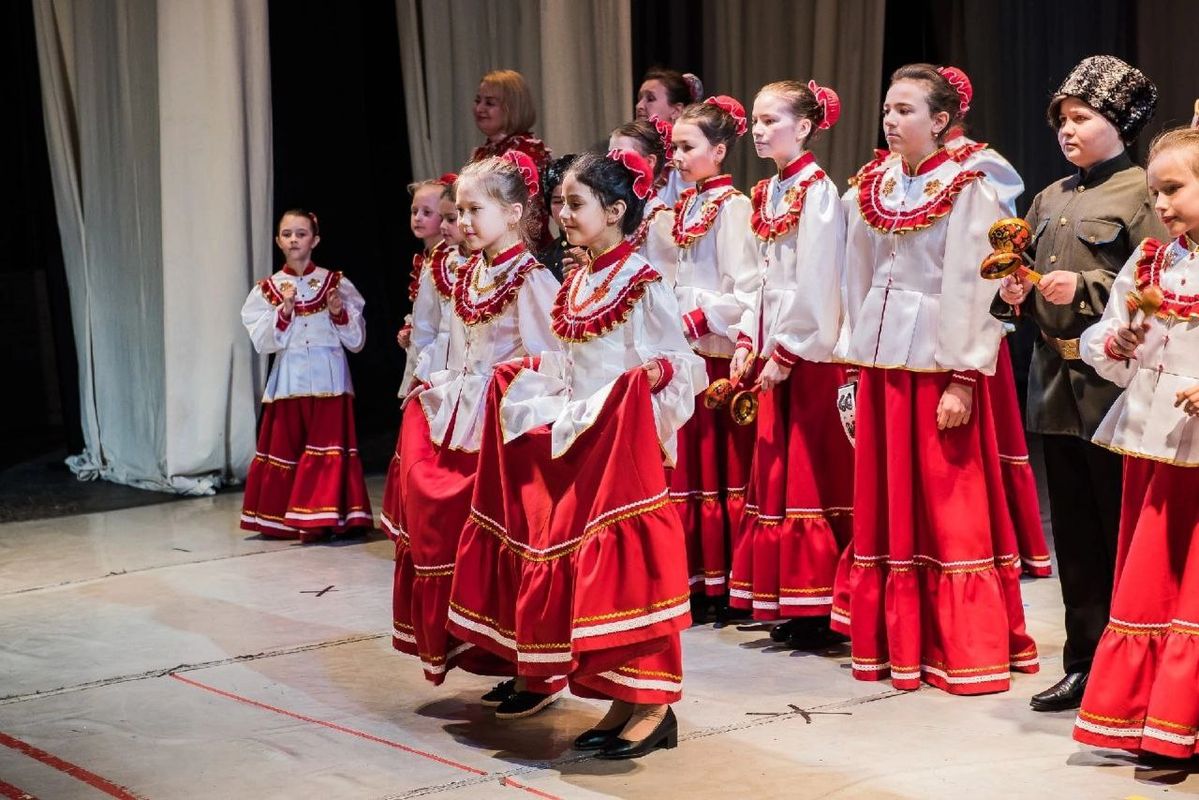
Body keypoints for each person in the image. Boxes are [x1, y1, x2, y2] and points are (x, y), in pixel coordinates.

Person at [447, 149, 704, 759]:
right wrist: (529, 372)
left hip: (625, 446)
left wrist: (645, 383)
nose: (562, 214)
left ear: (614, 210)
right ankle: (621, 699)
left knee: (631, 570)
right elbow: (573, 359)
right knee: (593, 573)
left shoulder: (641, 282)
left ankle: (654, 706)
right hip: (584, 438)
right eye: (560, 202)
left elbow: (682, 364)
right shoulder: (583, 279)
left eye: (575, 203)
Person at [833, 64, 1038, 695]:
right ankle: (897, 641)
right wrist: (853, 360)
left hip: (938, 359)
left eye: (905, 110)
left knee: (950, 500)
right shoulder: (873, 183)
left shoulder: (969, 185)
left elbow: (973, 285)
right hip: (883, 361)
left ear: (941, 120)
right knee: (888, 499)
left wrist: (963, 376)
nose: (891, 121)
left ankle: (964, 646)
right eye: (887, 110)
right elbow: (855, 274)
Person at [992, 55, 1166, 712]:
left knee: (1121, 534)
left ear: (1120, 123)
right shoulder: (1049, 197)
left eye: (1082, 117)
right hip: (1055, 386)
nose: (1067, 129)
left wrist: (1090, 287)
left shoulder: (1144, 192)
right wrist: (1015, 290)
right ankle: (1084, 664)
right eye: (1061, 119)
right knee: (1075, 536)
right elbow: (1022, 275)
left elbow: (1160, 280)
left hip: (1116, 388)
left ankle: (1134, 669)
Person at [390, 153, 562, 703]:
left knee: (503, 544)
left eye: (474, 210)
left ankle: (532, 671)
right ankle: (489, 649)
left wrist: (510, 393)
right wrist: (432, 382)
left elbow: (553, 357)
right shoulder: (470, 272)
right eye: (459, 211)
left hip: (502, 424)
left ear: (512, 213)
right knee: (450, 531)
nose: (462, 222)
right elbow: (451, 344)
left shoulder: (531, 279)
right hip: (461, 417)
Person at [1071, 126, 1199, 758]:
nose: (1162, 204)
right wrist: (1117, 344)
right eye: (1156, 193)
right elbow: (1106, 336)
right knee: (1154, 579)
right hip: (1155, 448)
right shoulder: (1154, 260)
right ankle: (1153, 714)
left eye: (1174, 189)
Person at [728, 80, 854, 648]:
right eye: (756, 120)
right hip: (775, 347)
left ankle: (820, 606)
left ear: (804, 127)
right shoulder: (769, 191)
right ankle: (790, 599)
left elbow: (818, 278)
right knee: (777, 472)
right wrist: (746, 338)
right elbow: (758, 278)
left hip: (807, 354)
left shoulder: (817, 191)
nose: (759, 130)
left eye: (771, 120)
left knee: (810, 475)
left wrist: (787, 349)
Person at [668, 96, 760, 618]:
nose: (677, 157)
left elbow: (746, 287)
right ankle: (700, 578)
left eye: (688, 147)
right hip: (690, 355)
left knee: (724, 467)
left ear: (719, 151)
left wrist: (698, 319)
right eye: (674, 147)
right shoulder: (688, 205)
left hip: (717, 354)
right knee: (694, 468)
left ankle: (729, 583)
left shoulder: (734, 208)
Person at [239, 210, 372, 542]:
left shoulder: (335, 283)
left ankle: (325, 518)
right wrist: (283, 312)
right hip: (289, 381)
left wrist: (338, 312)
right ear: (278, 241)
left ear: (315, 240)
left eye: (301, 233)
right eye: (287, 234)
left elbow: (356, 341)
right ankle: (284, 518)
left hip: (329, 380)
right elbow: (263, 343)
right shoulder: (267, 289)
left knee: (327, 448)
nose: (294, 240)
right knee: (288, 446)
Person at [381, 177, 467, 542]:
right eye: (441, 218)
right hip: (438, 366)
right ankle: (425, 530)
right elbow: (427, 326)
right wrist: (416, 374)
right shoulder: (438, 264)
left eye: (450, 217)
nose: (445, 226)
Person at [470, 70, 554, 250]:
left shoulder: (528, 151)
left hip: (523, 253)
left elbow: (531, 215)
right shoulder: (483, 152)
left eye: (489, 103)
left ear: (512, 108)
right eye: (478, 101)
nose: (479, 109)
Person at [398, 176, 453, 397]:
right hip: (425, 355)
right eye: (414, 211)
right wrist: (410, 329)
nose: (418, 218)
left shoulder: (448, 262)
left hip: (440, 361)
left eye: (427, 212)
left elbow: (446, 319)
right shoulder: (429, 259)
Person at [609, 118, 678, 283]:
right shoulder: (615, 213)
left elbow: (665, 284)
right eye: (609, 156)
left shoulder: (659, 219)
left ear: (649, 162)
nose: (611, 164)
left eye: (620, 155)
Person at [635, 68, 703, 207]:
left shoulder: (685, 160)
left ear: (676, 110)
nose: (639, 106)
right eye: (639, 99)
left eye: (650, 99)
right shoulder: (633, 151)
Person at [536, 153, 576, 281]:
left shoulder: (611, 251)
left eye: (575, 203)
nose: (565, 212)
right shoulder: (541, 264)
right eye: (558, 202)